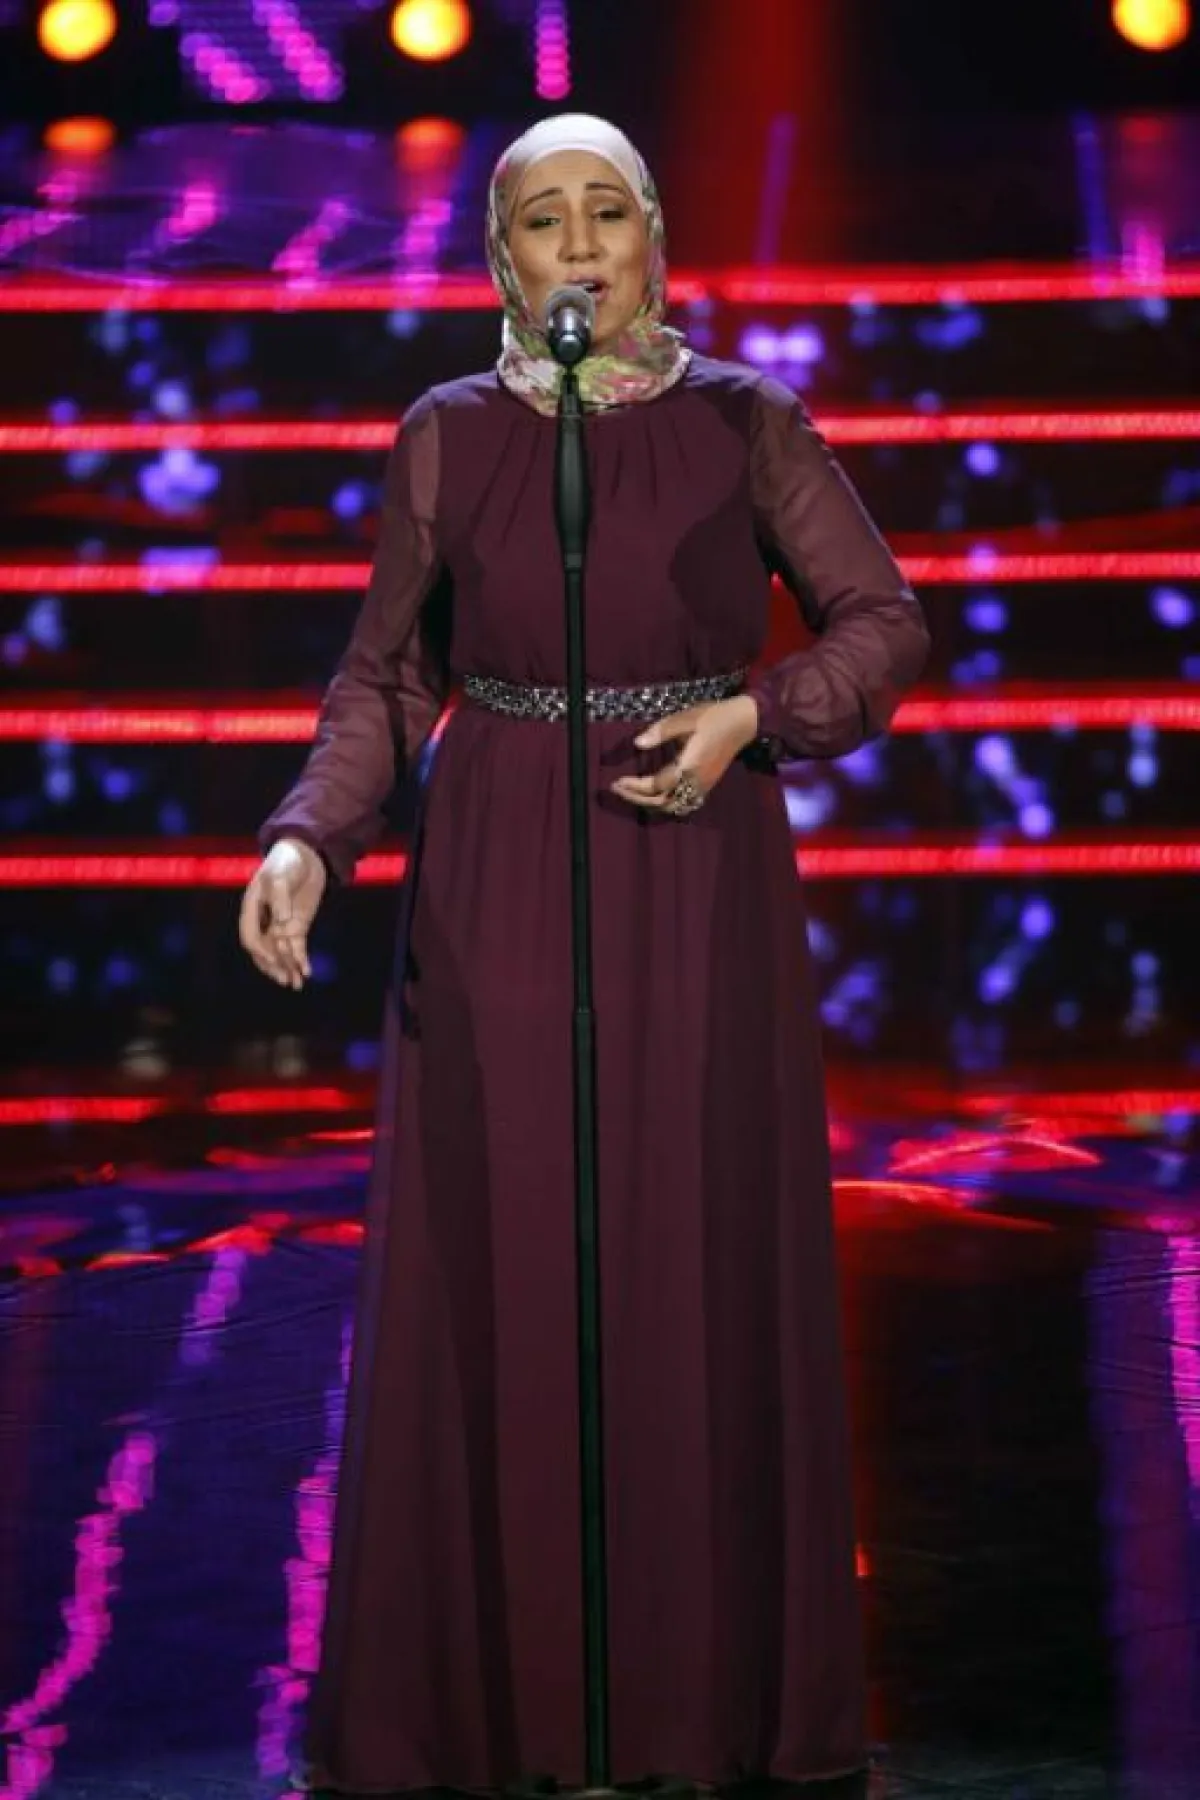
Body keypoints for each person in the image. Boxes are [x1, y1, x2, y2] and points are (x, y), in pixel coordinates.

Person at [239, 113, 929, 1798]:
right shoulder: (447, 434)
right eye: (543, 219)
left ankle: (698, 1706)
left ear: (655, 239)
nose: (579, 245)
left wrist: (759, 712)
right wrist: (309, 834)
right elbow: (388, 675)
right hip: (496, 871)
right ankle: (504, 1709)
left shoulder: (746, 419)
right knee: (511, 1253)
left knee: (684, 1246)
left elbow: (882, 622)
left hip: (692, 863)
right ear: (502, 260)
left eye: (606, 212)